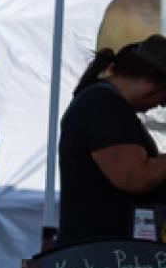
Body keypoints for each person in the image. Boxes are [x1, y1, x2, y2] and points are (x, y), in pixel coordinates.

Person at [57, 35, 166, 243]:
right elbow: (135, 176)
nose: (159, 106)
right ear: (152, 81)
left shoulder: (106, 104)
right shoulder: (104, 106)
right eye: (164, 99)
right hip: (104, 258)